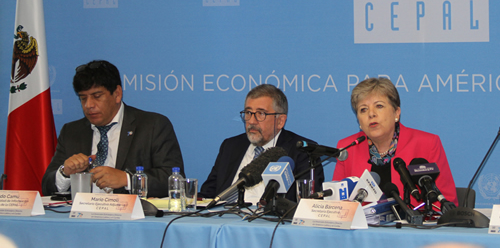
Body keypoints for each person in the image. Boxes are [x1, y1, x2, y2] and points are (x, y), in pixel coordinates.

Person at [42, 60, 185, 198]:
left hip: (132, 218)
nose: (89, 105)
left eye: (97, 96)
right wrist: (65, 173)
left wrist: (127, 179)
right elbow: (47, 187)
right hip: (82, 217)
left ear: (117, 94)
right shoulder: (71, 131)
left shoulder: (153, 125)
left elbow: (173, 179)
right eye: (83, 98)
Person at [333, 77, 458, 207]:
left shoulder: (427, 144)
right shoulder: (347, 148)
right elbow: (336, 204)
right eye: (363, 109)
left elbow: (447, 203)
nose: (371, 114)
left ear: (396, 112)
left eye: (379, 106)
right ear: (358, 120)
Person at [200, 84, 324, 204]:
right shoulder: (231, 146)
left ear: (280, 121)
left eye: (261, 114)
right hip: (226, 221)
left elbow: (307, 204)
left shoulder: (302, 151)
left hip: (271, 223)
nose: (252, 121)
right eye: (248, 113)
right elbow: (208, 194)